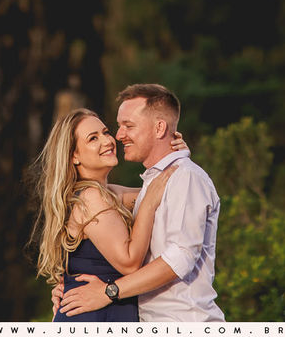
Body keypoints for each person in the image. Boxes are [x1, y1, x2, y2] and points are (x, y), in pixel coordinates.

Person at [57, 83, 225, 321]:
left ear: (159, 128)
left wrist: (108, 291)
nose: (116, 136)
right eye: (95, 137)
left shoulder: (183, 178)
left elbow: (180, 257)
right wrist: (70, 283)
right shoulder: (148, 186)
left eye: (128, 126)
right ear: (73, 155)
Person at [32, 107, 180, 322]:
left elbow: (168, 190)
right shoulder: (90, 198)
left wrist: (177, 155)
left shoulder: (109, 194)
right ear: (74, 155)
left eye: (105, 132)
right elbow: (129, 263)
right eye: (93, 138)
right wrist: (148, 205)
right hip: (95, 317)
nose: (107, 141)